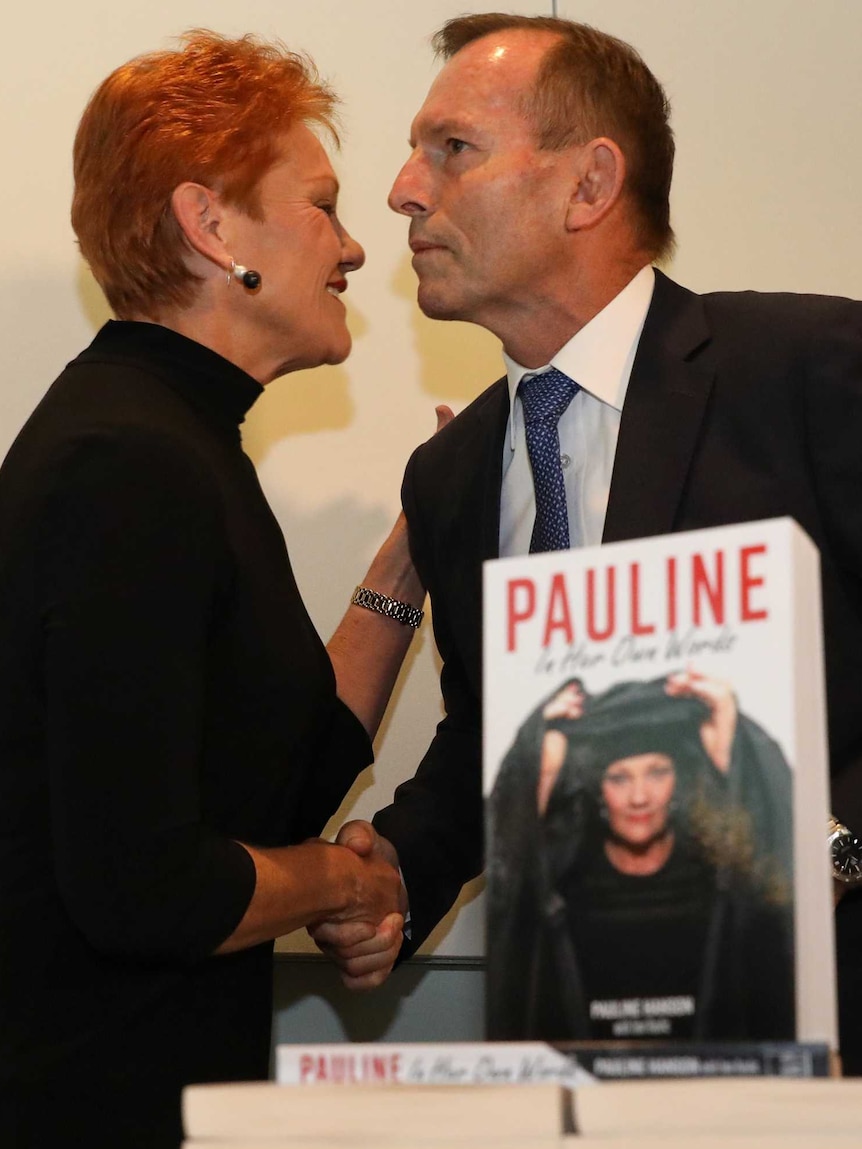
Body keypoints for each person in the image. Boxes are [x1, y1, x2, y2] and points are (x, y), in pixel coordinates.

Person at [312, 13, 862, 1071]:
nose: (401, 189)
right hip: (578, 1044)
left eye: (451, 149)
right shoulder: (452, 475)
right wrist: (395, 878)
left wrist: (832, 848)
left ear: (588, 184)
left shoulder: (809, 372)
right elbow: (497, 744)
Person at [0, 31, 433, 1148]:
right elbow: (146, 891)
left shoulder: (176, 441)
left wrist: (407, 558)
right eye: (322, 206)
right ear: (210, 226)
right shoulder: (127, 464)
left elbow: (275, 795)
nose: (350, 247)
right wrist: (341, 886)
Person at [487, 671, 794, 1041]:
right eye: (619, 777)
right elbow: (511, 867)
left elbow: (773, 862)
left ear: (678, 779)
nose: (639, 797)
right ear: (597, 788)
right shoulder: (560, 883)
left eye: (657, 772)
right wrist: (539, 750)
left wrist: (732, 734)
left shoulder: (718, 879)